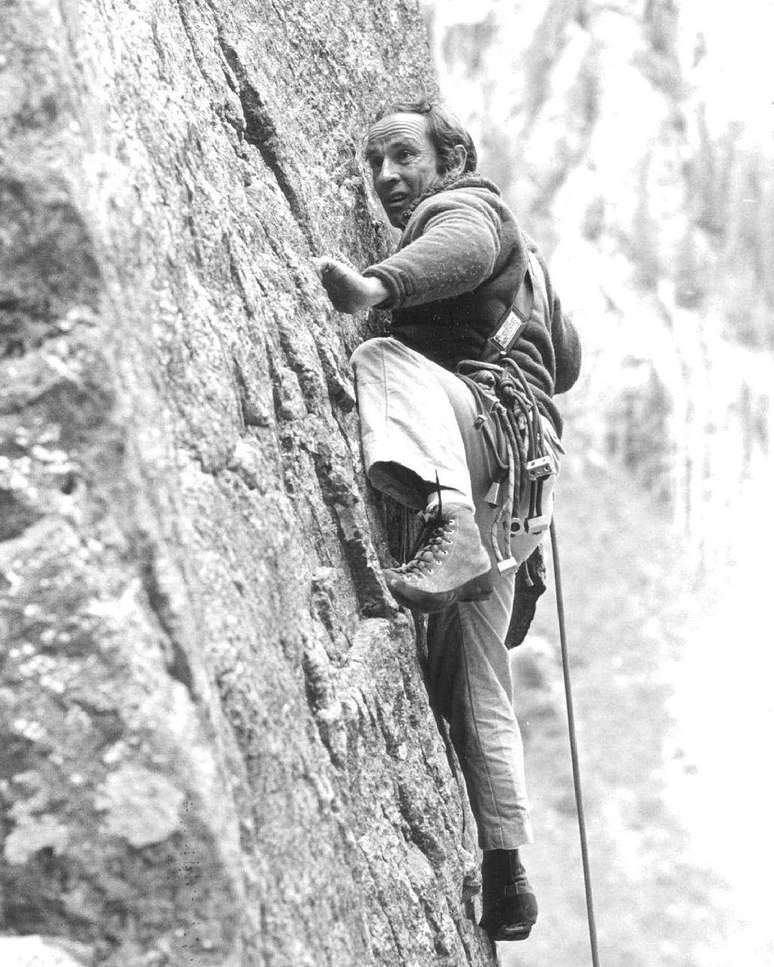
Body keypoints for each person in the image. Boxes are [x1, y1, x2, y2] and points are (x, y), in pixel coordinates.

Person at [314, 99, 581, 942]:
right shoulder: (528, 260)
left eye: (403, 156)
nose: (389, 178)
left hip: (482, 452)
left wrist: (379, 285)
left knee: (382, 358)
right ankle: (507, 870)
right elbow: (565, 363)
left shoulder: (467, 206)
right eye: (375, 166)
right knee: (477, 679)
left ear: (451, 157)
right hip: (524, 492)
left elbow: (460, 242)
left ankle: (448, 521)